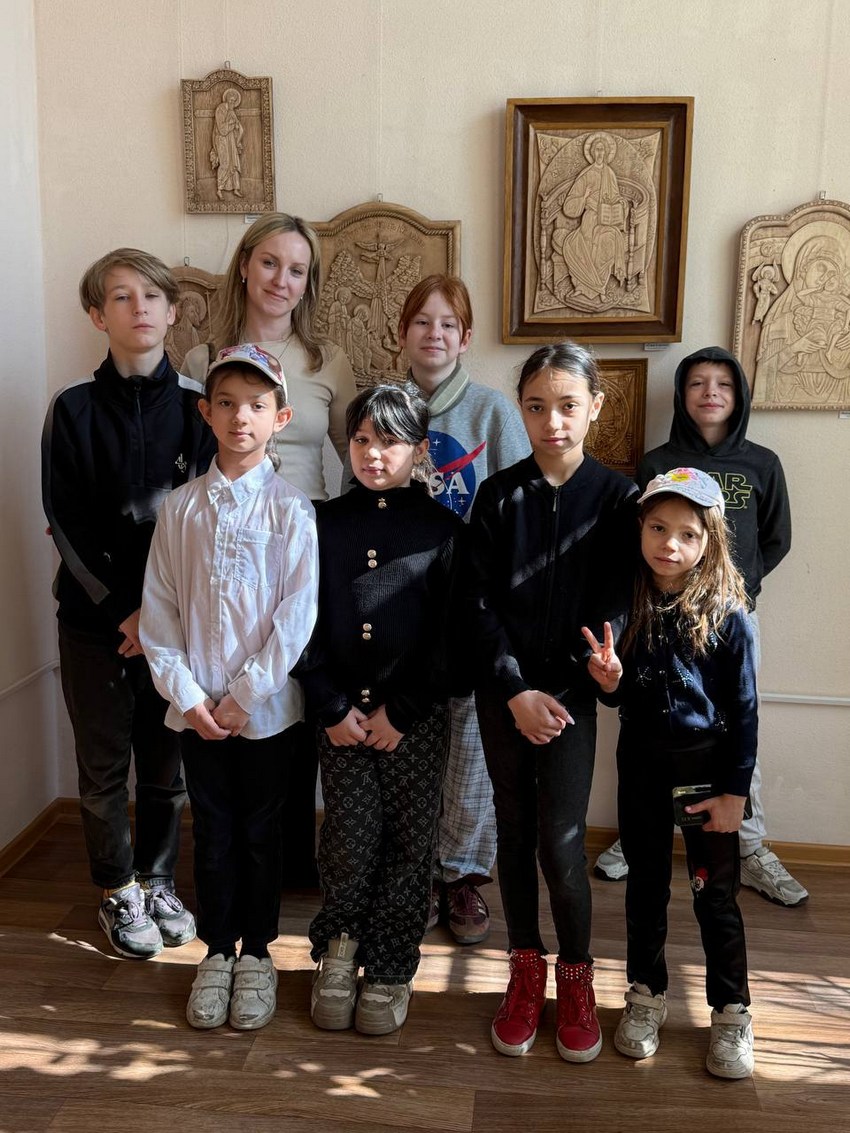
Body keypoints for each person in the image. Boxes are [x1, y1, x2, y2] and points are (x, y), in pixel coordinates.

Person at [41, 247, 216, 959]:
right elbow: (65, 520)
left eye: (151, 295)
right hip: (95, 624)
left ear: (172, 312)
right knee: (104, 765)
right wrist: (124, 611)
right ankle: (116, 887)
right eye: (120, 296)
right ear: (97, 315)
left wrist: (160, 616)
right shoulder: (73, 409)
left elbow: (206, 519)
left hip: (175, 626)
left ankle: (157, 878)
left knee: (165, 766)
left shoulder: (200, 408)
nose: (138, 307)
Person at [140, 345, 318, 1031]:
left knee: (262, 831)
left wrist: (246, 694)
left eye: (256, 405)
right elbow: (160, 612)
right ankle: (217, 950)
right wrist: (188, 695)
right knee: (212, 829)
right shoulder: (179, 509)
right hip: (197, 712)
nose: (241, 416)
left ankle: (258, 954)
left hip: (265, 713)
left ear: (280, 417)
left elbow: (296, 616)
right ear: (205, 412)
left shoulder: (292, 510)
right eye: (227, 403)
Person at [468, 343, 637, 1061]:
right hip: (504, 697)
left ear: (595, 406)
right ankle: (524, 969)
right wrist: (514, 691)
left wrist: (564, 691)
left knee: (561, 841)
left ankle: (576, 976)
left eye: (568, 406)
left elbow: (615, 607)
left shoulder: (621, 499)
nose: (553, 422)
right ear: (522, 411)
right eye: (536, 407)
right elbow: (477, 604)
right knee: (512, 833)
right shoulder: (497, 495)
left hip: (569, 703)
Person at [594, 346, 807, 906]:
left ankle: (748, 844)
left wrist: (735, 590)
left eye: (723, 384)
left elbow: (776, 538)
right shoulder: (656, 462)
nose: (710, 393)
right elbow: (635, 537)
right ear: (681, 395)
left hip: (727, 617)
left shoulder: (762, 463)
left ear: (739, 397)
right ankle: (640, 833)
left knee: (734, 723)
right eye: (697, 383)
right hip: (654, 613)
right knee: (647, 718)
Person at [184, 212, 357, 888]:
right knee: (235, 688)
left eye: (297, 270)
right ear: (244, 266)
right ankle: (234, 856)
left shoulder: (326, 361)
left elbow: (356, 456)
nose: (282, 280)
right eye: (270, 263)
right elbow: (189, 465)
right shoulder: (201, 358)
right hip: (227, 553)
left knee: (299, 689)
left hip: (308, 543)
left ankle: (291, 854)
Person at [297, 385, 464, 1036]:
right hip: (339, 717)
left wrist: (406, 709)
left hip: (412, 723)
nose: (372, 453)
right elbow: (298, 620)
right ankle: (338, 950)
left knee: (409, 843)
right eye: (362, 439)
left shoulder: (444, 531)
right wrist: (329, 704)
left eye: (390, 441)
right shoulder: (323, 523)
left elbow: (453, 638)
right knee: (347, 837)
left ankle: (392, 962)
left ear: (419, 450)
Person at [584, 467, 758, 1079]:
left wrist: (735, 792)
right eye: (658, 528)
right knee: (645, 888)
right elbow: (614, 695)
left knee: (715, 896)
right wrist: (609, 681)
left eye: (687, 534)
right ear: (640, 528)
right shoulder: (624, 602)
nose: (670, 545)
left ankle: (732, 1011)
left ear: (709, 541)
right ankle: (645, 993)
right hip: (641, 768)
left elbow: (745, 711)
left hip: (708, 775)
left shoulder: (730, 614)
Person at [397, 274, 529, 945]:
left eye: (448, 323)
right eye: (422, 321)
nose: (435, 333)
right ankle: (415, 869)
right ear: (402, 333)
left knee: (469, 750)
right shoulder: (386, 407)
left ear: (466, 337)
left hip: (471, 606)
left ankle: (463, 874)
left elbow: (519, 507)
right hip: (403, 607)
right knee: (410, 744)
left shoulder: (491, 412)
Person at [210, 88, 244, 200]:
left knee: (233, 162)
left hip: (231, 140)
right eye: (231, 100)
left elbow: (237, 126)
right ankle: (219, 189)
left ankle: (236, 189)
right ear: (227, 99)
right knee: (225, 163)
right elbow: (222, 129)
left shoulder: (231, 111)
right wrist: (231, 124)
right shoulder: (220, 109)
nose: (233, 103)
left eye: (234, 101)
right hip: (221, 140)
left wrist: (237, 127)